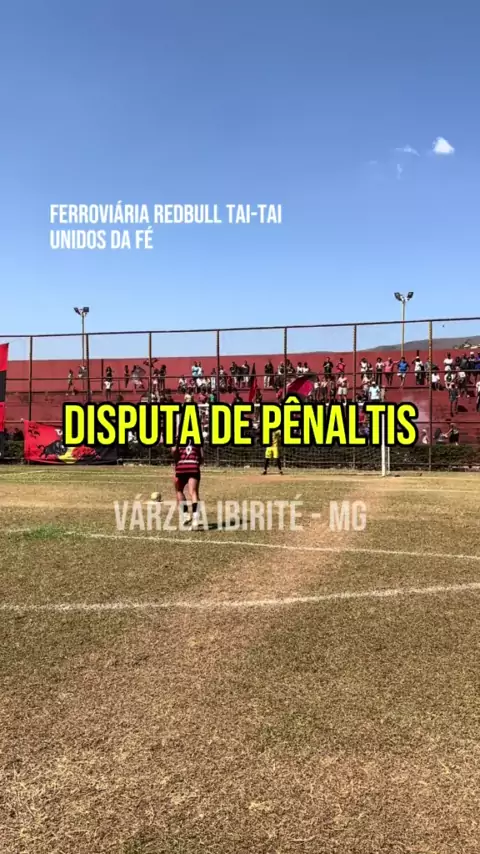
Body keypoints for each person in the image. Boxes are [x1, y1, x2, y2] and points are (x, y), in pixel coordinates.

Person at [171, 439, 204, 529]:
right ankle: (196, 520)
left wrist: (177, 459)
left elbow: (174, 451)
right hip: (193, 466)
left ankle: (185, 515)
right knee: (193, 492)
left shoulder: (177, 438)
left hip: (181, 467)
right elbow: (202, 457)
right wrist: (197, 463)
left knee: (179, 490)